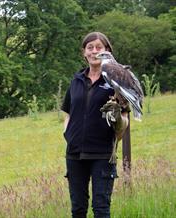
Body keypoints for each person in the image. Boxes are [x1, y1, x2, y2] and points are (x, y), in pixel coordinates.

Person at [61, 32, 129, 218]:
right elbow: (67, 112)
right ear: (84, 53)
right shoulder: (76, 80)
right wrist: (67, 134)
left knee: (101, 209)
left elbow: (124, 121)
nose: (94, 51)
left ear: (107, 51)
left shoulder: (115, 80)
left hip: (102, 154)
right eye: (90, 48)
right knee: (78, 209)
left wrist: (117, 120)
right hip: (74, 154)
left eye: (99, 47)